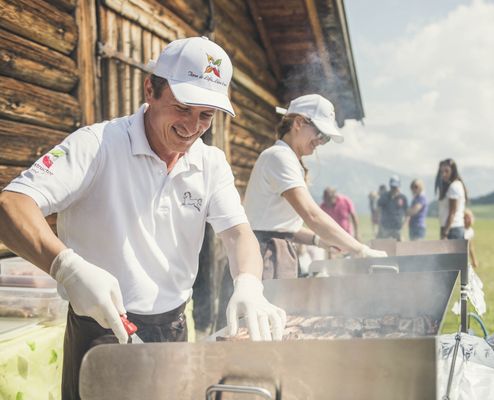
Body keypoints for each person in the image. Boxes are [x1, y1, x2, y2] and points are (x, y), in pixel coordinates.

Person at [0, 37, 286, 400]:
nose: (193, 127)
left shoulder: (210, 162)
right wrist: (67, 268)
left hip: (174, 327)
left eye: (206, 116)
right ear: (150, 89)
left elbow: (237, 233)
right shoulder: (98, 144)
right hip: (101, 329)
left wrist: (248, 282)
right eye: (182, 108)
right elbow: (11, 205)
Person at [243, 94, 386, 279]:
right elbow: (312, 215)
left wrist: (319, 241)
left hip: (272, 252)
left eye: (325, 138)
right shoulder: (280, 157)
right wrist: (360, 249)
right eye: (320, 134)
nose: (320, 142)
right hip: (263, 256)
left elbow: (282, 227)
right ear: (298, 123)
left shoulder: (288, 159)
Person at [435, 159, 467, 239]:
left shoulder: (454, 186)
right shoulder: (451, 186)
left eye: (446, 171)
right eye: (441, 171)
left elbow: (452, 212)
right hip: (449, 228)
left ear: (453, 171)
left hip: (452, 229)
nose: (443, 174)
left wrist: (445, 233)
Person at [376, 175, 408, 241]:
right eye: (392, 187)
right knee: (384, 246)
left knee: (401, 247)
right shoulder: (384, 196)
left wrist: (405, 224)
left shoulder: (403, 198)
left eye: (396, 187)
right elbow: (378, 210)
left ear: (399, 186)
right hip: (385, 228)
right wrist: (379, 225)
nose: (394, 188)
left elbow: (407, 213)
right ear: (390, 186)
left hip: (398, 228)